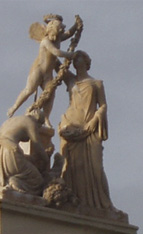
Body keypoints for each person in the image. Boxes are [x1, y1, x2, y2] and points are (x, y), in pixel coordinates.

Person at [59, 50, 114, 210]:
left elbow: (103, 105)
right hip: (71, 125)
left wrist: (95, 119)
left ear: (87, 62)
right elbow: (53, 63)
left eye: (79, 57)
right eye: (74, 59)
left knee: (96, 168)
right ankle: (76, 201)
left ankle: (104, 204)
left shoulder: (96, 83)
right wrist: (56, 46)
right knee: (72, 167)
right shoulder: (69, 78)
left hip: (90, 126)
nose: (76, 60)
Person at [7, 15, 78, 128]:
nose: (61, 31)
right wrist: (70, 55)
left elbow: (69, 34)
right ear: (52, 29)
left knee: (50, 94)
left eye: (61, 30)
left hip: (48, 74)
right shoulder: (45, 41)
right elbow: (56, 52)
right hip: (38, 70)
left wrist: (76, 26)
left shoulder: (58, 38)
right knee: (29, 90)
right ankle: (14, 107)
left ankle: (46, 118)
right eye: (59, 29)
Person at [0, 110, 49, 195]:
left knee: (21, 170)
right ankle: (14, 183)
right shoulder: (30, 122)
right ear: (37, 119)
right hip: (8, 150)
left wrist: (32, 158)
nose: (37, 129)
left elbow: (19, 155)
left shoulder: (10, 121)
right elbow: (37, 145)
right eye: (39, 126)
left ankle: (11, 181)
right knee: (37, 181)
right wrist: (46, 158)